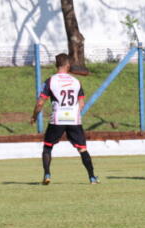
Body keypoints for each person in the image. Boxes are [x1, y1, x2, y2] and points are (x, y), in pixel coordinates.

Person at [30, 53, 98, 185]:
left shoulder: (51, 81)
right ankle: (92, 177)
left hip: (58, 118)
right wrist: (74, 113)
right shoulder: (76, 82)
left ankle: (47, 174)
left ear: (56, 65)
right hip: (74, 118)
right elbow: (82, 103)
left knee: (48, 147)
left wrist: (34, 116)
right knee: (82, 148)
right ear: (68, 65)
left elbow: (40, 103)